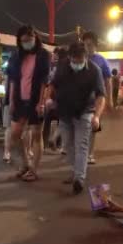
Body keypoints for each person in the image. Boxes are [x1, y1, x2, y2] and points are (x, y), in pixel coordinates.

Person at [51, 42, 106, 194]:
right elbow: (53, 85)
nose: (77, 64)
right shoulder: (62, 66)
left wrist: (96, 116)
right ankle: (76, 172)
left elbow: (101, 96)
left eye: (80, 61)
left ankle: (79, 179)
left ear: (86, 57)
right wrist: (50, 100)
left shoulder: (95, 70)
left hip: (85, 112)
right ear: (69, 58)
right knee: (68, 145)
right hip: (65, 112)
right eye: (74, 61)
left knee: (81, 145)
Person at [6, 25, 50, 182]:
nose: (27, 43)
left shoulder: (44, 55)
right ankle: (25, 164)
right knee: (15, 134)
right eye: (23, 40)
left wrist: (41, 102)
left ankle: (34, 169)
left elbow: (45, 81)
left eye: (29, 39)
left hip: (35, 101)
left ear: (35, 38)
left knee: (37, 135)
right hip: (19, 100)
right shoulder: (16, 56)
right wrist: (11, 101)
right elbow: (12, 80)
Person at [82, 31, 111, 165]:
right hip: (81, 100)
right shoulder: (79, 58)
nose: (87, 47)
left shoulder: (101, 60)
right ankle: (78, 152)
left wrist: (109, 99)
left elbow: (108, 81)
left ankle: (90, 154)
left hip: (96, 100)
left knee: (93, 127)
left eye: (90, 45)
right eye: (85, 45)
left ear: (95, 45)